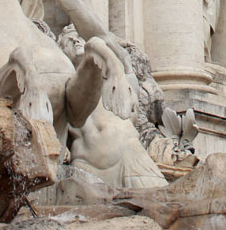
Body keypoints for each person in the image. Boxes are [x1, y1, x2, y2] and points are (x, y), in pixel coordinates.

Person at [58, 26, 167, 189]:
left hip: (130, 157)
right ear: (59, 50)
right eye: (69, 40)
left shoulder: (119, 79)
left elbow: (107, 43)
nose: (76, 40)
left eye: (79, 36)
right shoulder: (60, 89)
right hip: (87, 168)